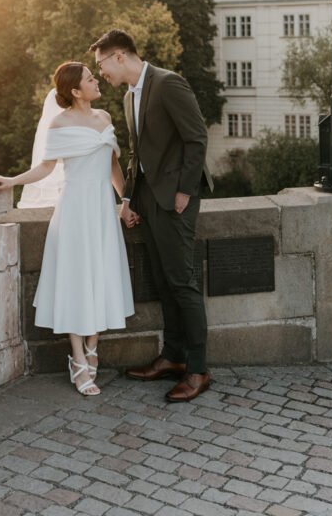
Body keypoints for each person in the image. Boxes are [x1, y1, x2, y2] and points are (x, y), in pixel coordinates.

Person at [0, 61, 134, 397]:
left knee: (101, 276)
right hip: (75, 212)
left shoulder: (105, 119)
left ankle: (93, 347)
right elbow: (45, 168)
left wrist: (125, 203)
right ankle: (78, 357)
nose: (97, 81)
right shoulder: (59, 123)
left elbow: (112, 166)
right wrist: (12, 181)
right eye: (90, 79)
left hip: (101, 212)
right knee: (76, 280)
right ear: (76, 91)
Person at [91, 29, 213, 402]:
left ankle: (198, 369)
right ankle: (173, 358)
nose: (101, 74)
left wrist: (184, 192)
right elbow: (135, 156)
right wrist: (127, 198)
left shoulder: (168, 83)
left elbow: (197, 138)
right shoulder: (129, 97)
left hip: (176, 198)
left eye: (101, 65)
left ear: (120, 57)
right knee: (163, 282)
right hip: (148, 199)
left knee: (182, 283)